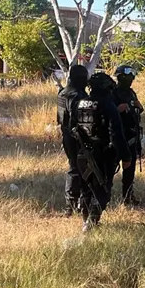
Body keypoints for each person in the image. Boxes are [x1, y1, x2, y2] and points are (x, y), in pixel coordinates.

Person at [73, 72, 132, 232]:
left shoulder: (79, 103)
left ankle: (86, 220)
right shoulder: (107, 105)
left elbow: (71, 128)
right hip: (103, 154)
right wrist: (126, 156)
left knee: (86, 189)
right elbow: (116, 134)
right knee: (102, 191)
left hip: (82, 154)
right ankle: (91, 224)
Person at [57, 65, 90, 217]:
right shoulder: (78, 95)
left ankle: (72, 203)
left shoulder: (63, 92)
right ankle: (74, 204)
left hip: (66, 134)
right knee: (78, 169)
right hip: (77, 137)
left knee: (74, 167)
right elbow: (84, 121)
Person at [112, 65, 144, 205]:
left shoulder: (131, 93)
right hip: (116, 137)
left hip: (131, 136)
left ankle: (128, 197)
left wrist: (139, 107)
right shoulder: (112, 93)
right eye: (127, 76)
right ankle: (104, 195)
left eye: (132, 76)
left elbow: (137, 111)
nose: (130, 79)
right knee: (110, 168)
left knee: (130, 170)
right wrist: (117, 110)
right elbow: (106, 113)